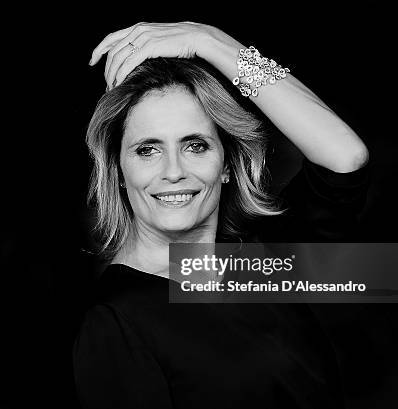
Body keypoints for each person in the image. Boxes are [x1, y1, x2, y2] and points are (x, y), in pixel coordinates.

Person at [73, 22, 370, 409]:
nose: (173, 170)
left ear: (227, 164)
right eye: (147, 149)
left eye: (195, 145)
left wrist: (210, 41)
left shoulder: (263, 262)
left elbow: (345, 159)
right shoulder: (113, 323)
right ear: (119, 173)